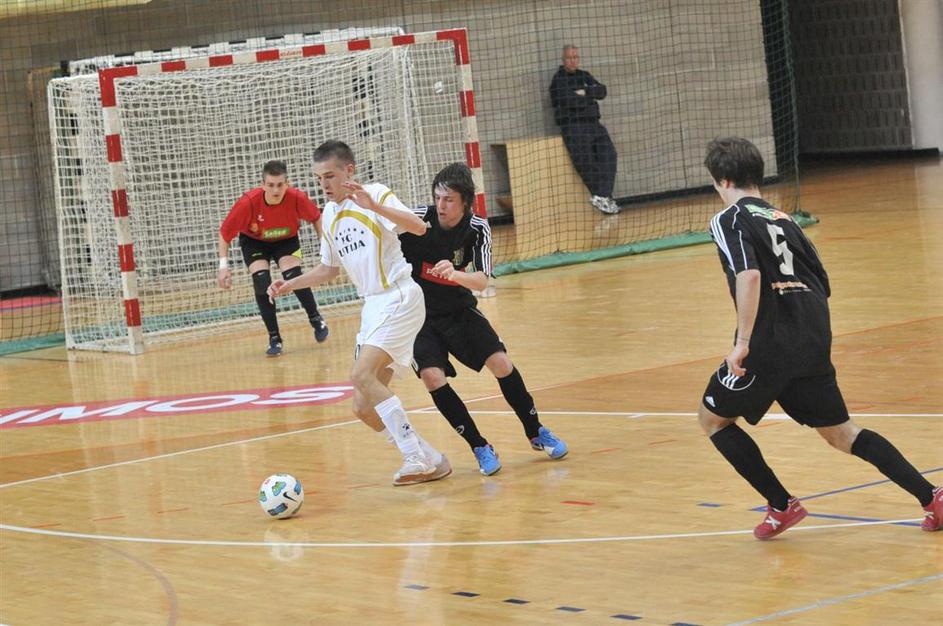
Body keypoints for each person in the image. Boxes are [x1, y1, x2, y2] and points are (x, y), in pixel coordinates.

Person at [697, 136, 941, 539]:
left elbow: (749, 275)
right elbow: (822, 282)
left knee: (713, 420)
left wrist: (742, 342)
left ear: (722, 180)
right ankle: (931, 496)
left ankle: (781, 505)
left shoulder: (727, 220)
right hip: (812, 335)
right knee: (842, 433)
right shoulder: (787, 219)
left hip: (768, 343)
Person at [268, 140, 451, 486]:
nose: (324, 184)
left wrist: (374, 206)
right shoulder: (329, 215)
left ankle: (414, 458)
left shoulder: (375, 194)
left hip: (398, 295)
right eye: (319, 178)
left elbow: (418, 227)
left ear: (349, 170)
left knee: (361, 374)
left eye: (330, 176)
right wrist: (289, 284)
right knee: (362, 408)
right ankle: (432, 458)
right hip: (372, 307)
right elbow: (328, 269)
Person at [399, 163, 569, 476]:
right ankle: (479, 446)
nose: (441, 205)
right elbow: (383, 225)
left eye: (449, 199)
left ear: (465, 202)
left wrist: (454, 275)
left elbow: (481, 281)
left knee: (501, 363)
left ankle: (536, 431)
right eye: (438, 198)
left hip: (459, 309)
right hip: (417, 317)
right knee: (432, 377)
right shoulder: (417, 218)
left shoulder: (477, 227)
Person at [217, 160, 329, 357]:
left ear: (287, 183)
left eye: (280, 185)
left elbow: (316, 217)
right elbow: (225, 233)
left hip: (287, 240)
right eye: (270, 185)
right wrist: (223, 266)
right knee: (262, 281)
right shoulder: (248, 203)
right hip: (254, 243)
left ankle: (315, 318)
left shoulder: (297, 198)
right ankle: (274, 337)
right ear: (263, 184)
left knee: (293, 274)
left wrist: (324, 244)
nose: (276, 190)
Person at [549, 44, 619, 215]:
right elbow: (569, 101)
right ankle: (604, 198)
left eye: (575, 57)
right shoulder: (558, 81)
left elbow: (602, 91)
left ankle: (602, 196)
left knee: (609, 155)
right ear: (563, 60)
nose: (573, 61)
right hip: (574, 127)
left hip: (594, 124)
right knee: (587, 163)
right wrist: (589, 96)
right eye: (569, 58)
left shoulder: (584, 76)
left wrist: (584, 92)